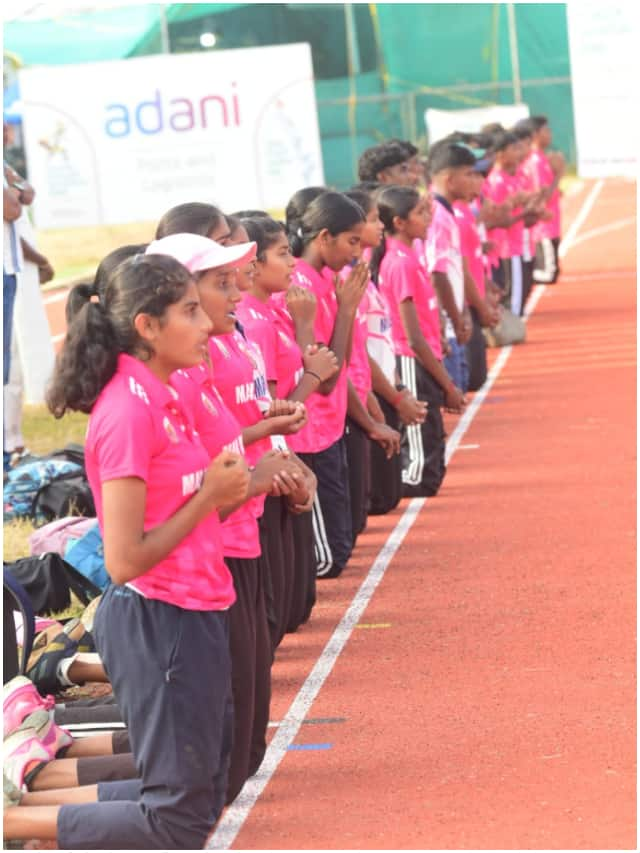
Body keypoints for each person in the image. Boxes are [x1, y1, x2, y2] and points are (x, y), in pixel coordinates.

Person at [5, 252, 251, 848]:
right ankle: (12, 825)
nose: (204, 323)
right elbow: (122, 560)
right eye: (189, 310)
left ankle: (19, 820)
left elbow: (180, 513)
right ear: (146, 326)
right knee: (176, 818)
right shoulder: (125, 412)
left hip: (196, 607)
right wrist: (209, 496)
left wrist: (238, 487)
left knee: (204, 789)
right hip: (157, 618)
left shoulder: (164, 396)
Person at [236, 214, 338, 630]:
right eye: (282, 253)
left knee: (294, 603)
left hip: (279, 459)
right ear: (255, 264)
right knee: (279, 608)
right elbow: (275, 407)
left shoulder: (267, 314)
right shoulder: (253, 321)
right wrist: (313, 375)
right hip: (267, 467)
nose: (292, 261)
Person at [284, 190, 375, 578]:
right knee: (331, 558)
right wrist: (348, 310)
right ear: (323, 237)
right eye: (352, 241)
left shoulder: (324, 278)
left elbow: (342, 359)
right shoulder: (304, 286)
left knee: (343, 542)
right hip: (312, 431)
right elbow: (327, 375)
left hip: (329, 425)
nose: (357, 252)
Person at [371, 185, 464, 497]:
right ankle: (393, 486)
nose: (429, 218)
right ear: (399, 222)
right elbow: (412, 336)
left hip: (423, 356)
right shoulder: (402, 263)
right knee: (421, 467)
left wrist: (438, 339)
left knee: (432, 445)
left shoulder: (408, 257)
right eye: (421, 213)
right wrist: (448, 384)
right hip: (411, 359)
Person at [344, 188, 424, 520]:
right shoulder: (349, 281)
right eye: (372, 219)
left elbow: (377, 340)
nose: (379, 227)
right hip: (367, 394)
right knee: (374, 502)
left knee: (386, 497)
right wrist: (391, 397)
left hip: (378, 388)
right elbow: (356, 352)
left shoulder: (365, 274)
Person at [521, 115, 564, 285]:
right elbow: (541, 195)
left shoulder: (541, 158)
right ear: (535, 134)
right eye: (546, 130)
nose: (550, 134)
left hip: (550, 223)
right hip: (542, 227)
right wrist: (558, 176)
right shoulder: (536, 160)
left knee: (551, 271)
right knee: (548, 274)